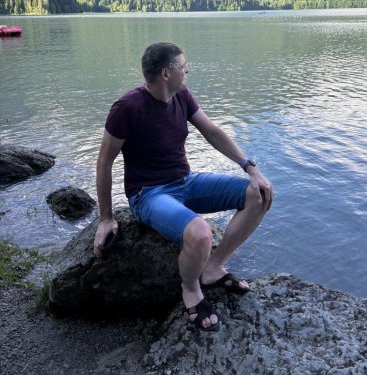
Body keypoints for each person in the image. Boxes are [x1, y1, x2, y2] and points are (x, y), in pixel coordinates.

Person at [93, 42, 273, 332]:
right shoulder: (127, 108)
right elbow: (104, 162)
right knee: (201, 233)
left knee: (259, 194)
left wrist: (251, 168)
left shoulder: (181, 96)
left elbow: (212, 132)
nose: (187, 70)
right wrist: (105, 218)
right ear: (166, 73)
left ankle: (214, 267)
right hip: (148, 194)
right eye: (183, 65)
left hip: (186, 182)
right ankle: (190, 288)